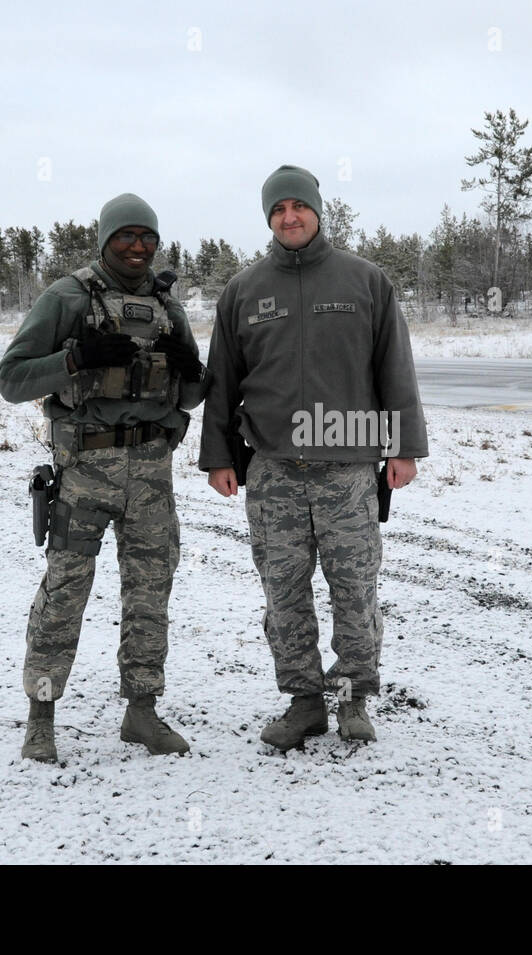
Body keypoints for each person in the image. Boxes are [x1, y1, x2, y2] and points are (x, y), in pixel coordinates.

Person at [199, 165, 428, 750]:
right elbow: (223, 381)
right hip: (272, 469)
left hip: (348, 468)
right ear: (268, 218)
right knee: (284, 591)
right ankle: (304, 702)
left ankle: (353, 698)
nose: (289, 217)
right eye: (278, 210)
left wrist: (404, 445)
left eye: (299, 206)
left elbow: (394, 369)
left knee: (354, 588)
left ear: (319, 211)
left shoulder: (364, 281)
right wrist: (219, 455)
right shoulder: (244, 291)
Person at [0, 193, 207, 762]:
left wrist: (190, 371)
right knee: (64, 592)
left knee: (150, 593)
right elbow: (11, 379)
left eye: (148, 238)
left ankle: (141, 711)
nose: (138, 247)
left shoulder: (169, 308)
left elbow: (189, 393)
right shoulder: (66, 297)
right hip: (84, 473)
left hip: (151, 477)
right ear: (105, 239)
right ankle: (42, 715)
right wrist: (75, 359)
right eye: (126, 236)